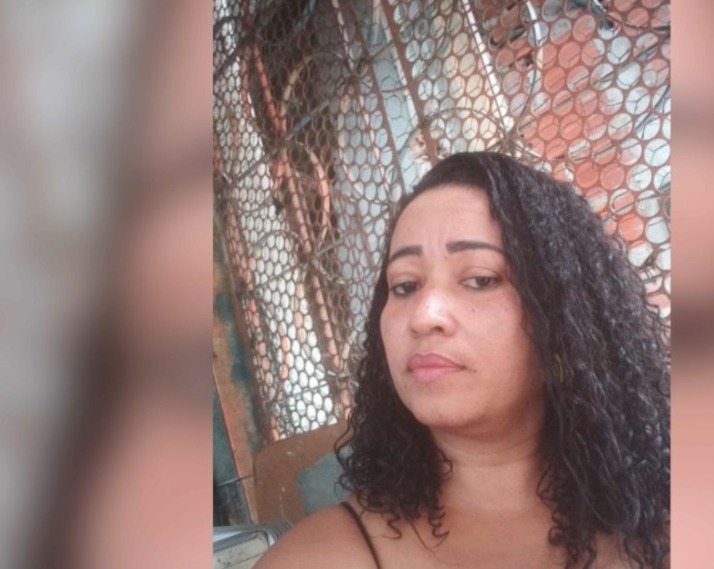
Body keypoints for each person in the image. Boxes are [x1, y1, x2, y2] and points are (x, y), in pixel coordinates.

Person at [256, 151, 670, 569]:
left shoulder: (670, 528)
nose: (424, 315)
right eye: (404, 286)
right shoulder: (319, 559)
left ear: (566, 317)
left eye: (479, 279)